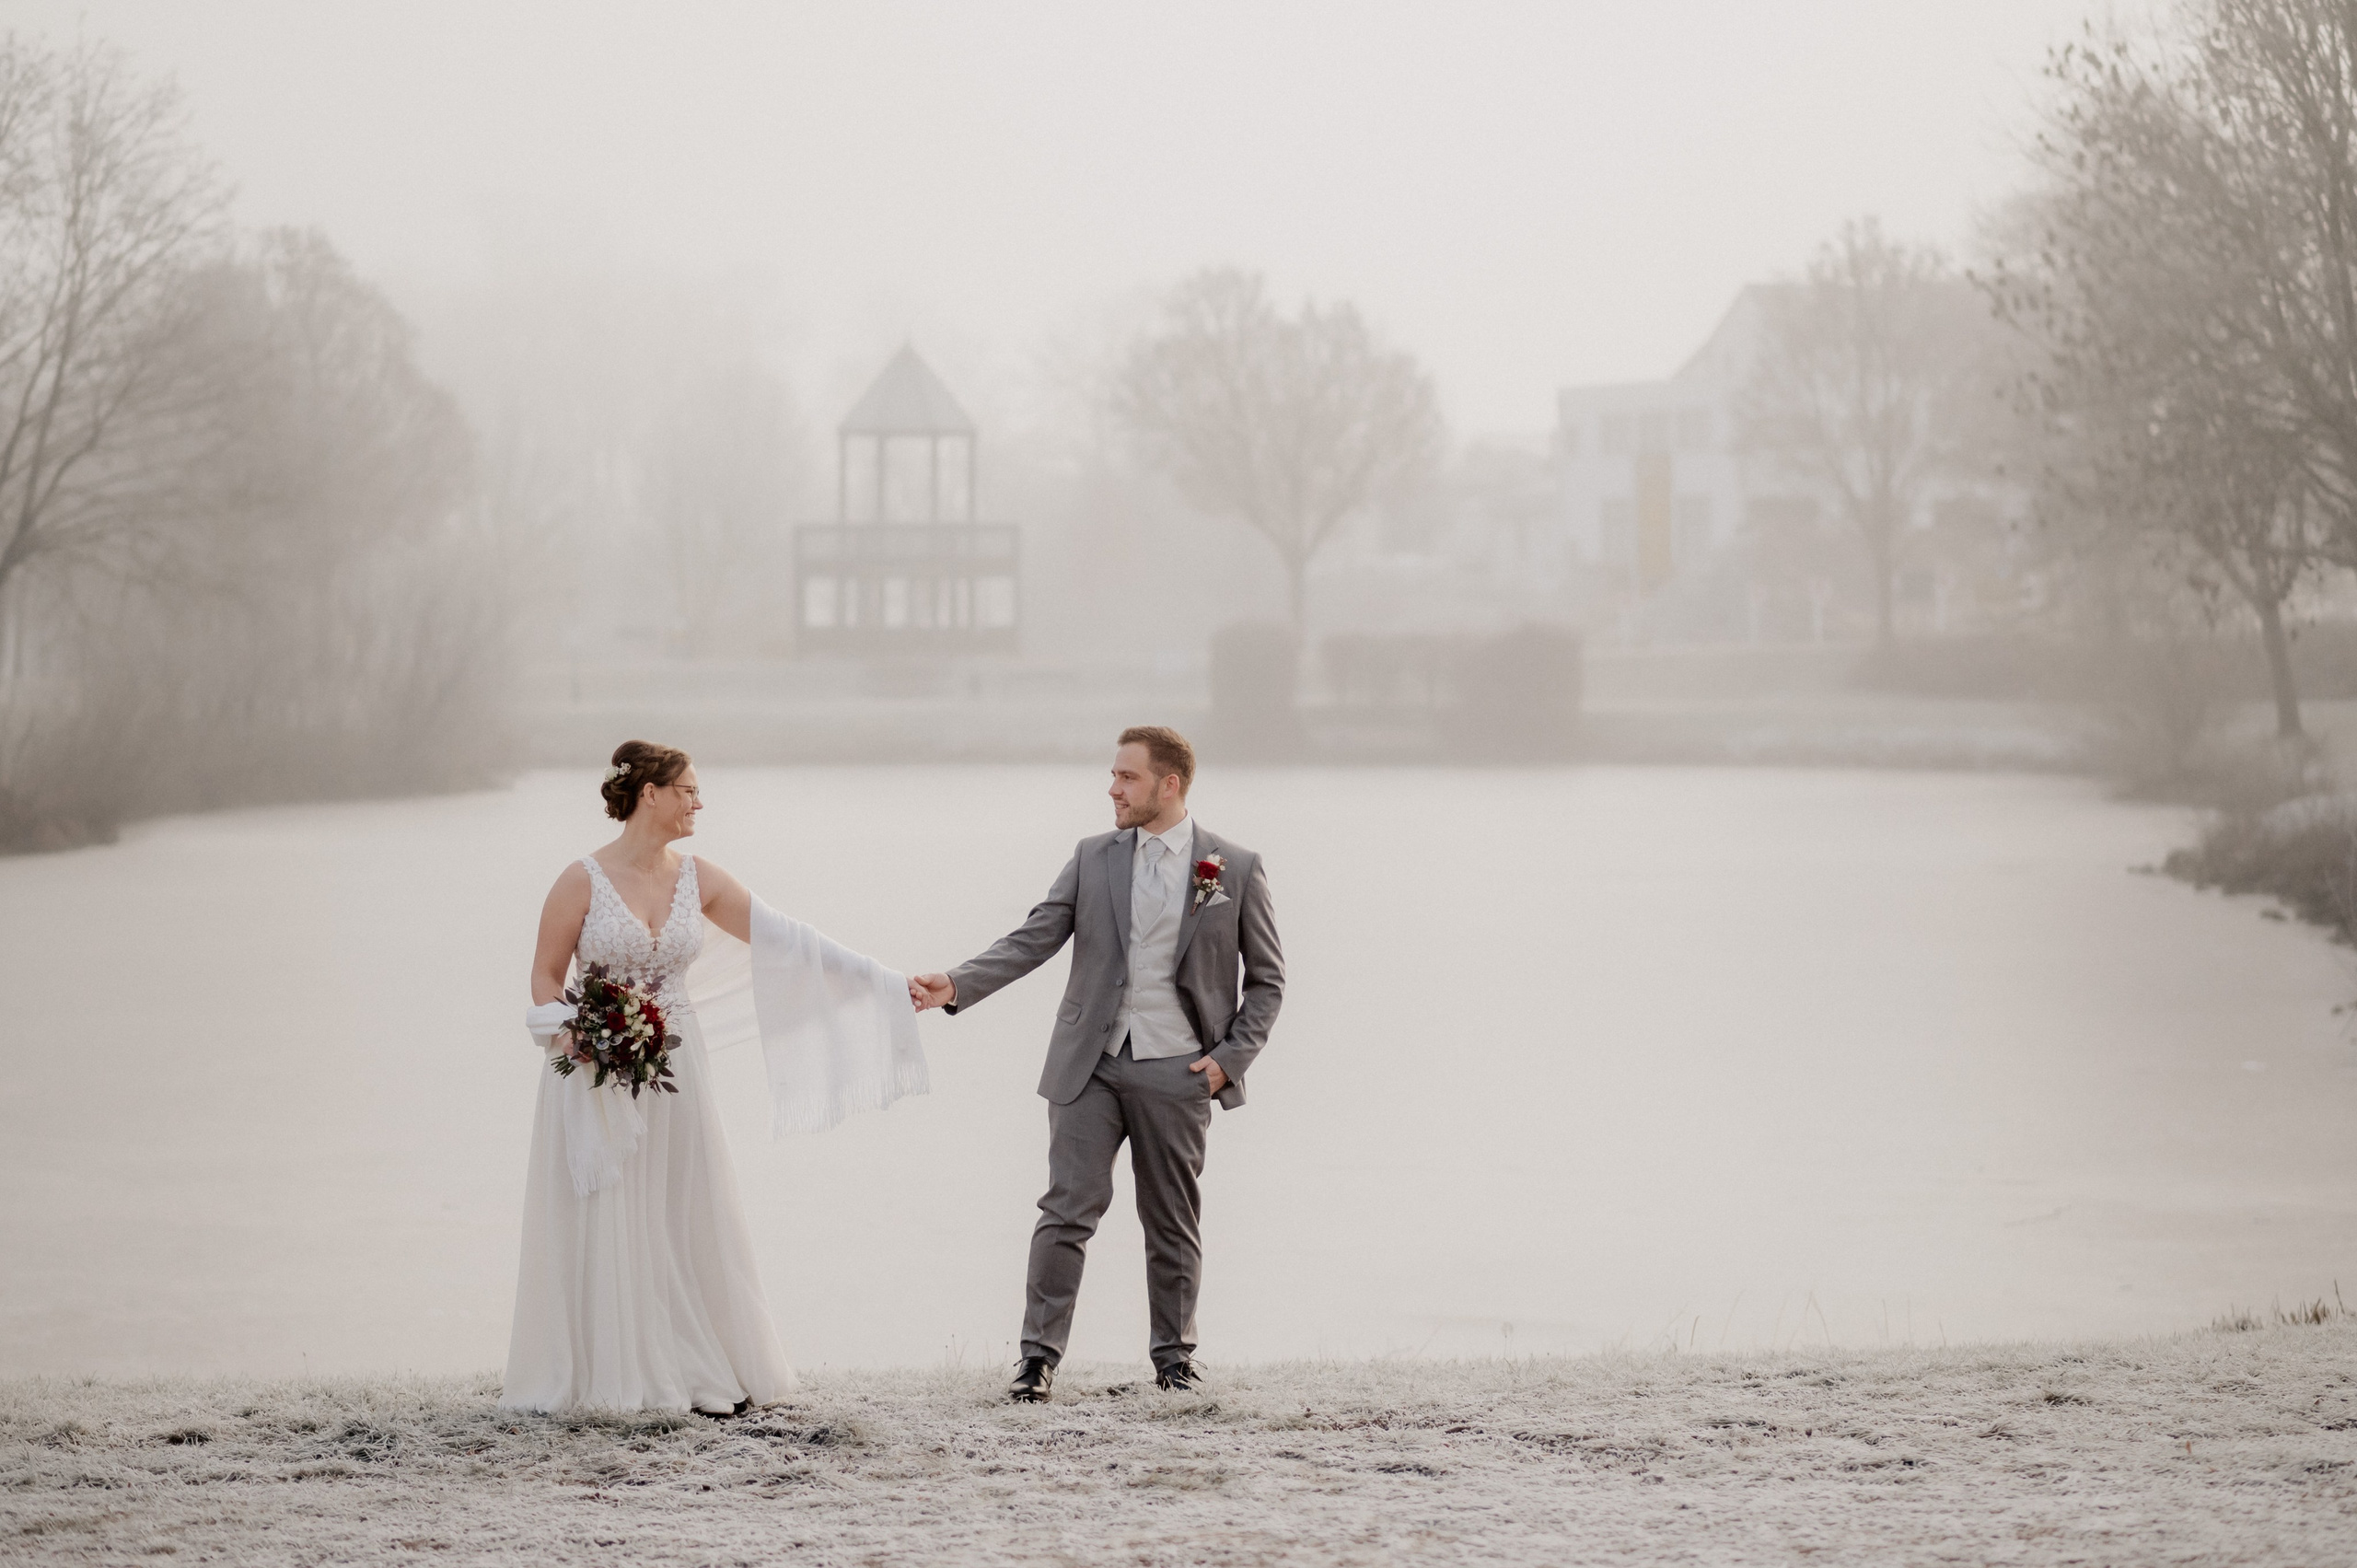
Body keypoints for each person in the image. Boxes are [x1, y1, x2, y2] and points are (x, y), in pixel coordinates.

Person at [502, 739, 922, 1414]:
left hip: (677, 1062)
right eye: (689, 789)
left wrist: (890, 983)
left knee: (681, 1203)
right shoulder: (578, 880)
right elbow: (546, 978)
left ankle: (692, 1360)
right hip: (594, 1069)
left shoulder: (698, 876)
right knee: (608, 1207)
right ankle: (609, 1369)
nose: (700, 801)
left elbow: (790, 938)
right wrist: (574, 1033)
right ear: (650, 794)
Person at [911, 726, 1284, 1401]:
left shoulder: (1234, 866)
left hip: (1180, 1070)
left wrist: (1228, 1061)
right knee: (1066, 1210)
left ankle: (1175, 1359)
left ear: (1169, 785)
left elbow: (1267, 981)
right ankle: (1037, 1359)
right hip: (1090, 1065)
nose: (1112, 788)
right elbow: (1034, 936)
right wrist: (957, 983)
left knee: (1172, 1217)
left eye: (1127, 777)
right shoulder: (1092, 857)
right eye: (1114, 776)